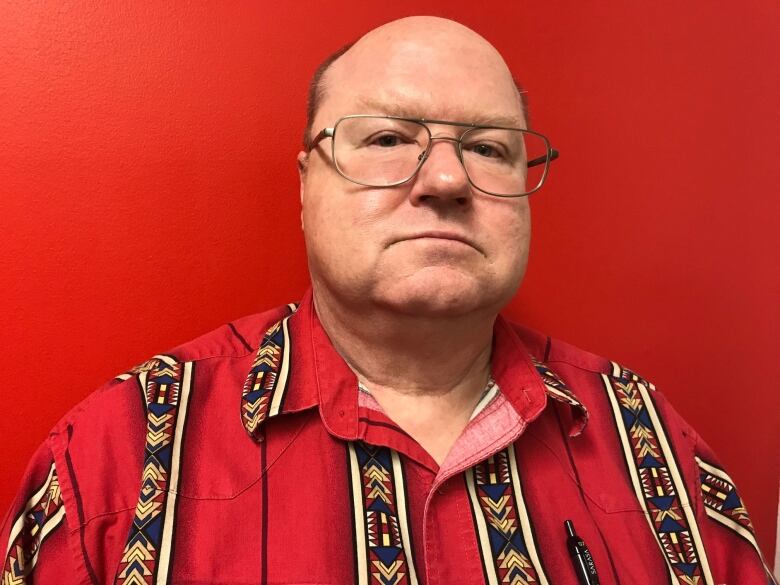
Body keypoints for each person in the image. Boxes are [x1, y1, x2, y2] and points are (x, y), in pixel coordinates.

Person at [2, 15, 775, 585]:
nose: (444, 180)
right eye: (387, 139)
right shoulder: (115, 461)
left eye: (488, 148)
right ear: (306, 186)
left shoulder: (656, 446)